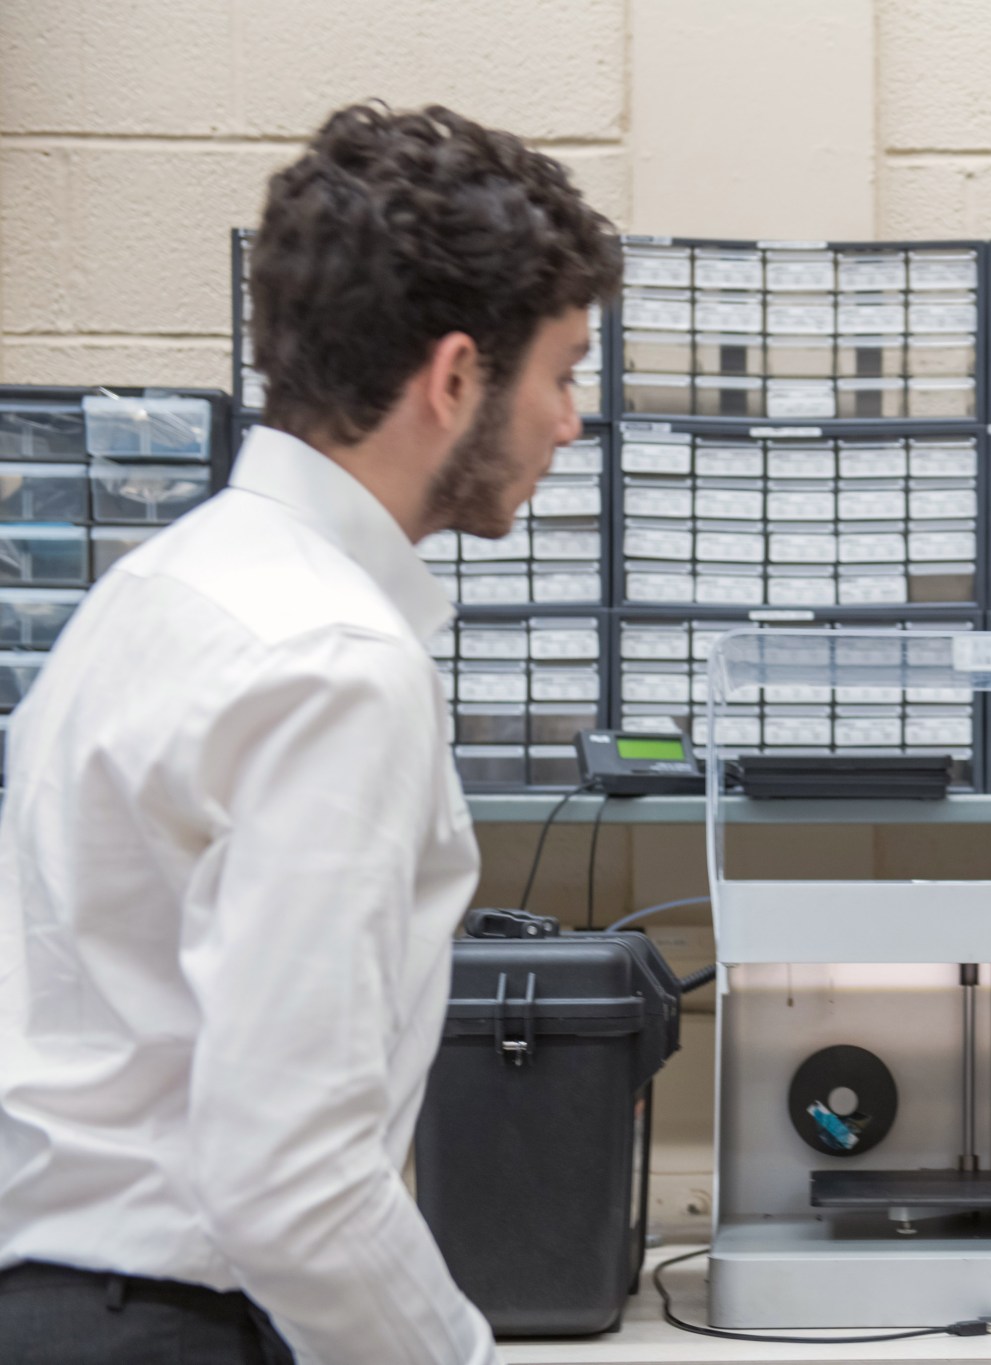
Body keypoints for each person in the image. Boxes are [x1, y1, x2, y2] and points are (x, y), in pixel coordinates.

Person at [0, 104, 620, 1364]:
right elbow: (294, 1183)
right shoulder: (334, 662)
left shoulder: (156, 591)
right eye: (561, 373)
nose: (569, 420)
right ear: (453, 380)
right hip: (172, 1324)